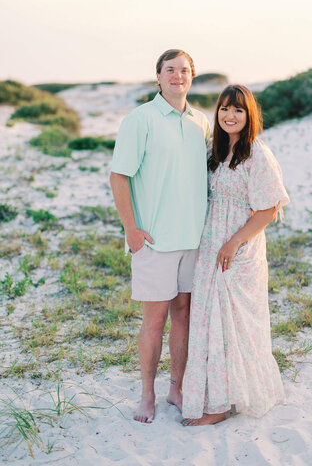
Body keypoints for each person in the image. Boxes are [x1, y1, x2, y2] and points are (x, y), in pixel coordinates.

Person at [110, 49, 210, 424]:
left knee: (183, 316)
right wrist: (131, 230)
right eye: (170, 70)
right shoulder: (141, 120)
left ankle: (177, 388)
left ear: (192, 77)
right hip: (153, 241)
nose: (177, 76)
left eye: (184, 70)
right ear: (158, 77)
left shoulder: (201, 121)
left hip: (193, 239)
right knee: (154, 322)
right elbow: (119, 176)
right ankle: (147, 395)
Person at [181, 84, 289, 426]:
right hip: (210, 243)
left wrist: (233, 243)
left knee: (232, 323)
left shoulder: (257, 153)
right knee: (208, 321)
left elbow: (268, 209)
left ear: (249, 115)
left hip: (238, 249)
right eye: (225, 108)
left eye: (238, 110)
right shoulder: (213, 151)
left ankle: (220, 406)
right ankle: (211, 395)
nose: (230, 115)